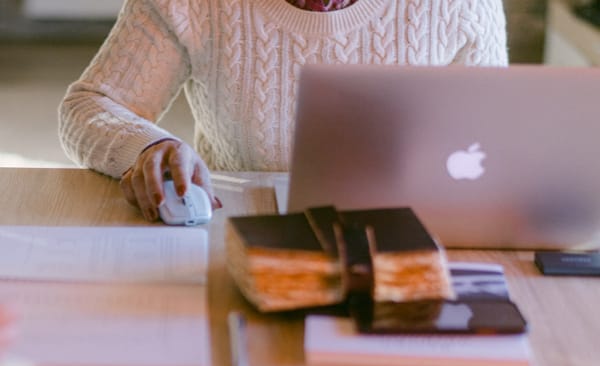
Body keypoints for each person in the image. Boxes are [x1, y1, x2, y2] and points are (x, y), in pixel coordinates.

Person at [59, 0, 508, 222]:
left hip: (401, 233)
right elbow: (90, 105)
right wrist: (146, 145)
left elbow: (495, 145)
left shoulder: (461, 5)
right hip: (234, 232)